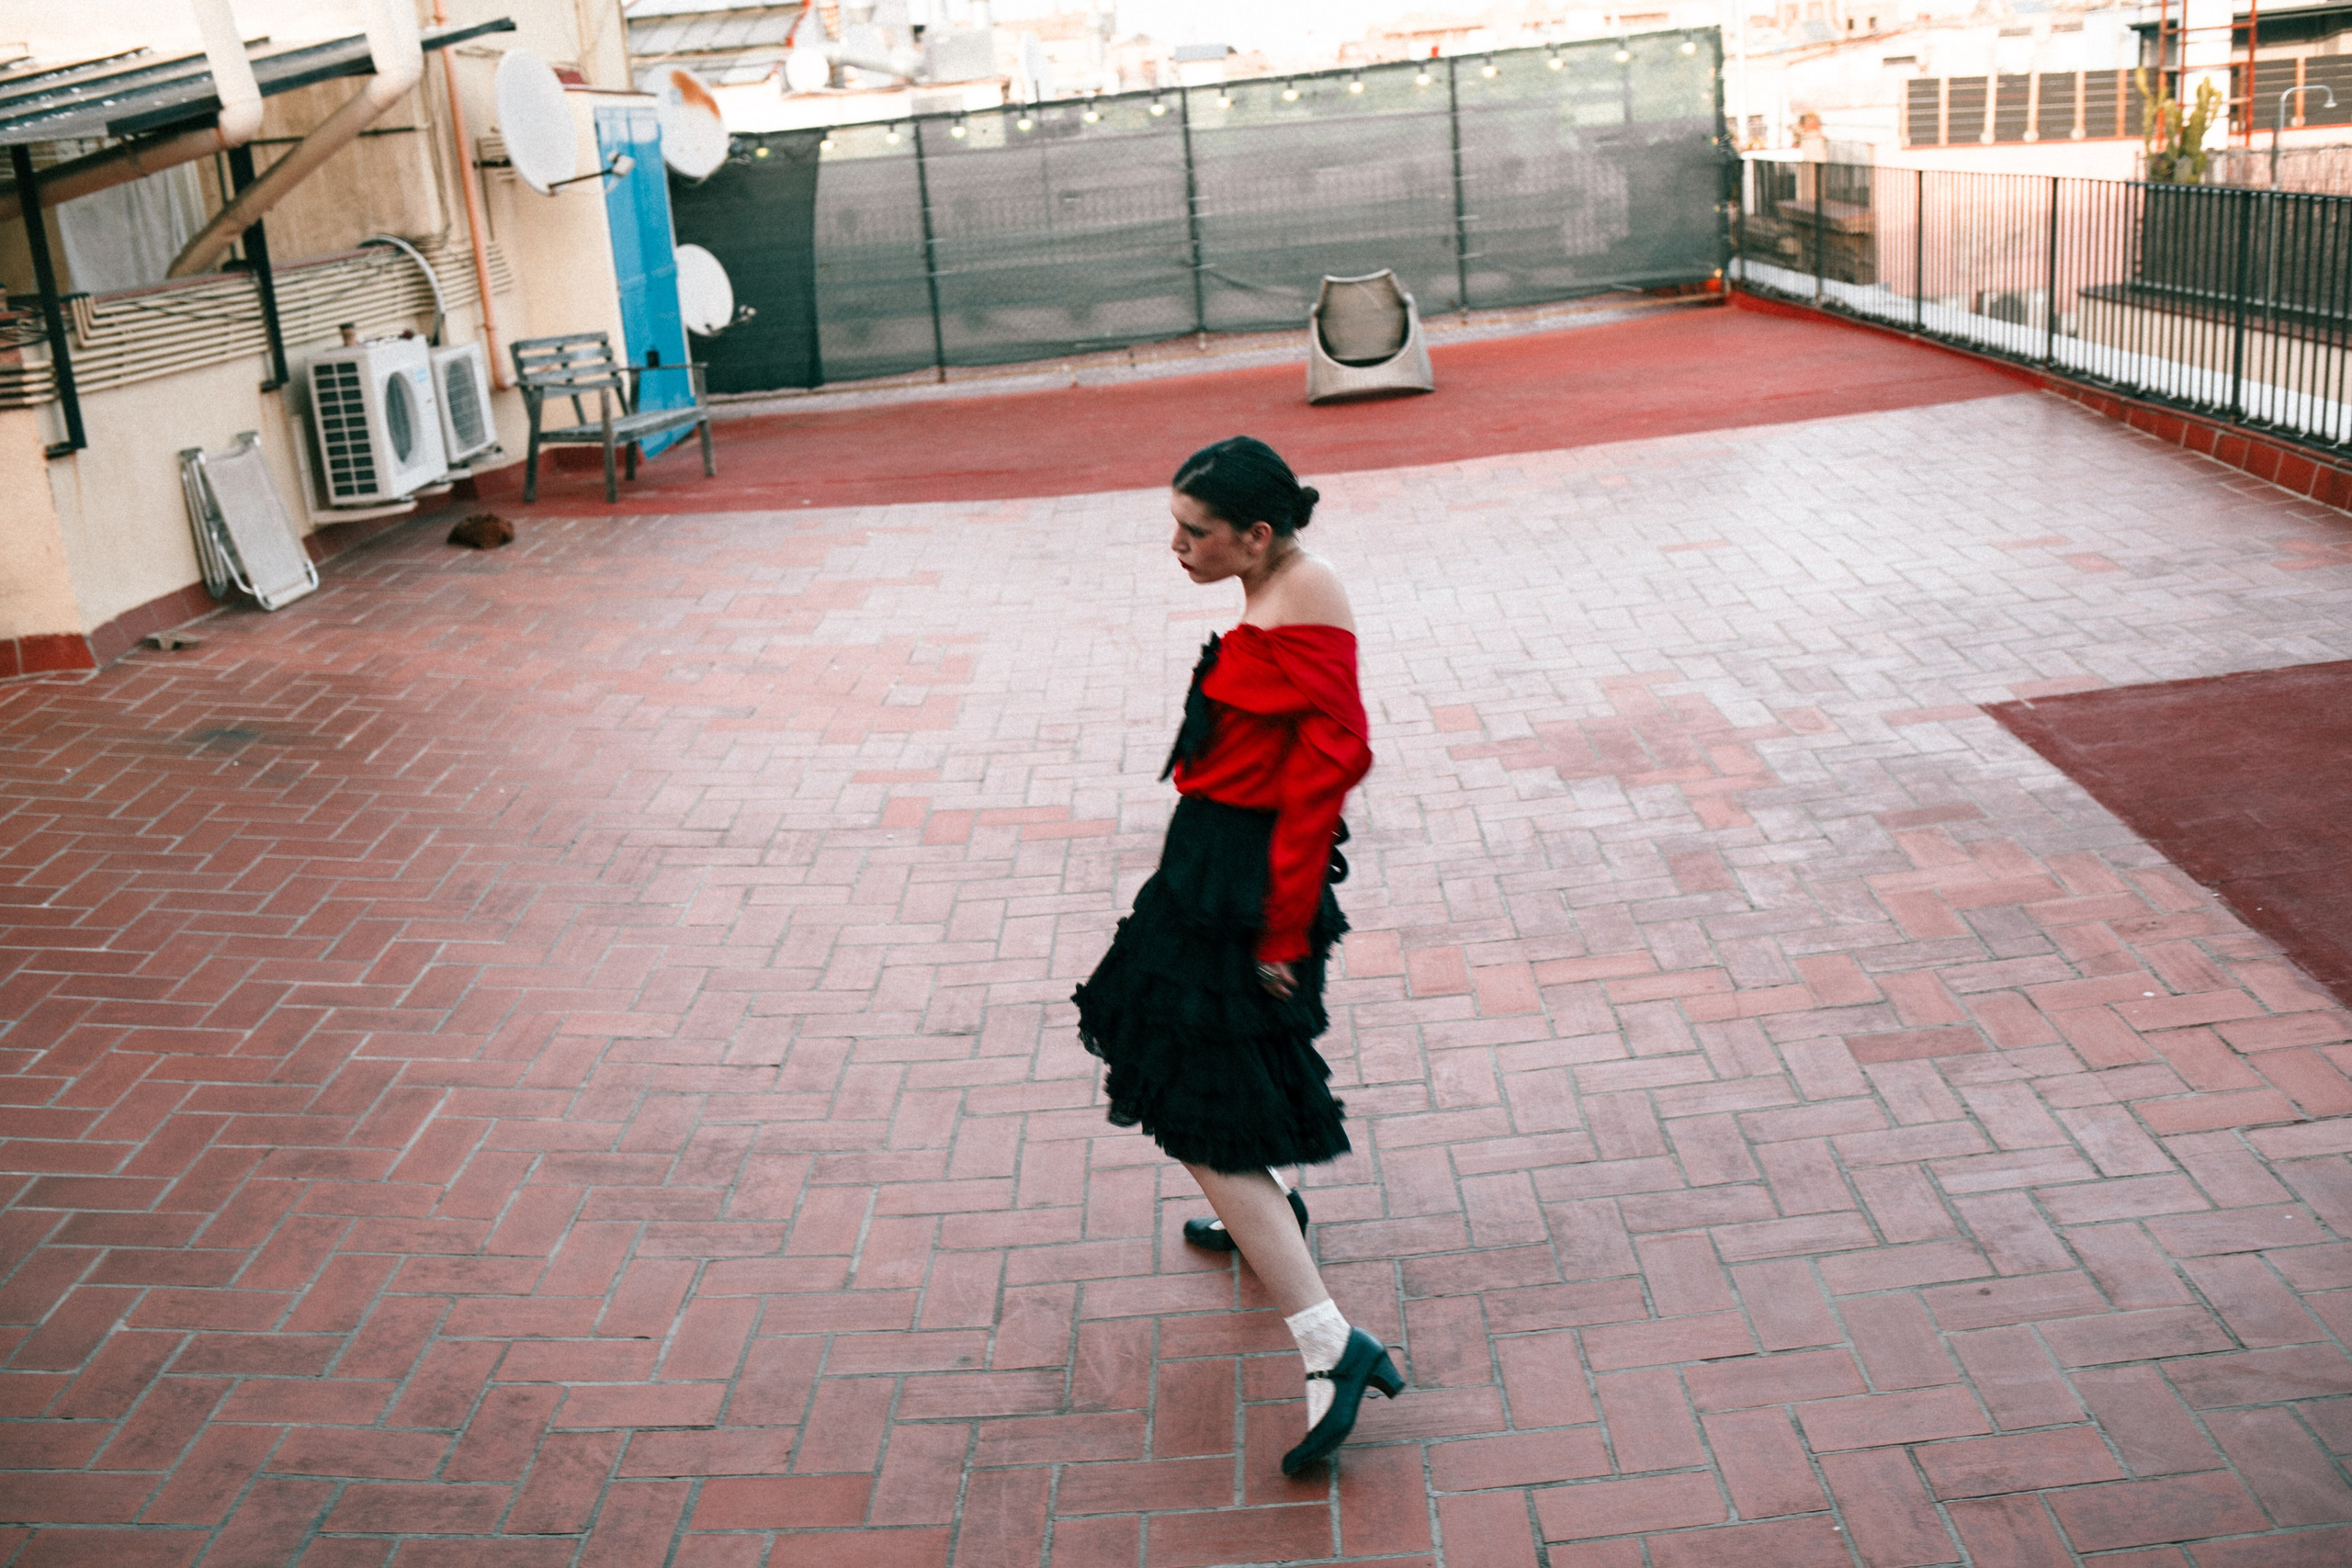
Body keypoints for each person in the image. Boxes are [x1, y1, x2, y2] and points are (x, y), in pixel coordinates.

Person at [1072, 435, 1401, 1476]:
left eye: (1194, 532)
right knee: (1193, 1061)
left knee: (1192, 1104)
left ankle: (1331, 1344)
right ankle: (1271, 1216)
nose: (1177, 547)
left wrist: (1283, 930)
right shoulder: (1279, 581)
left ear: (1256, 536)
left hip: (1244, 884)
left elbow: (1329, 764)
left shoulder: (1306, 593)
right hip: (1211, 863)